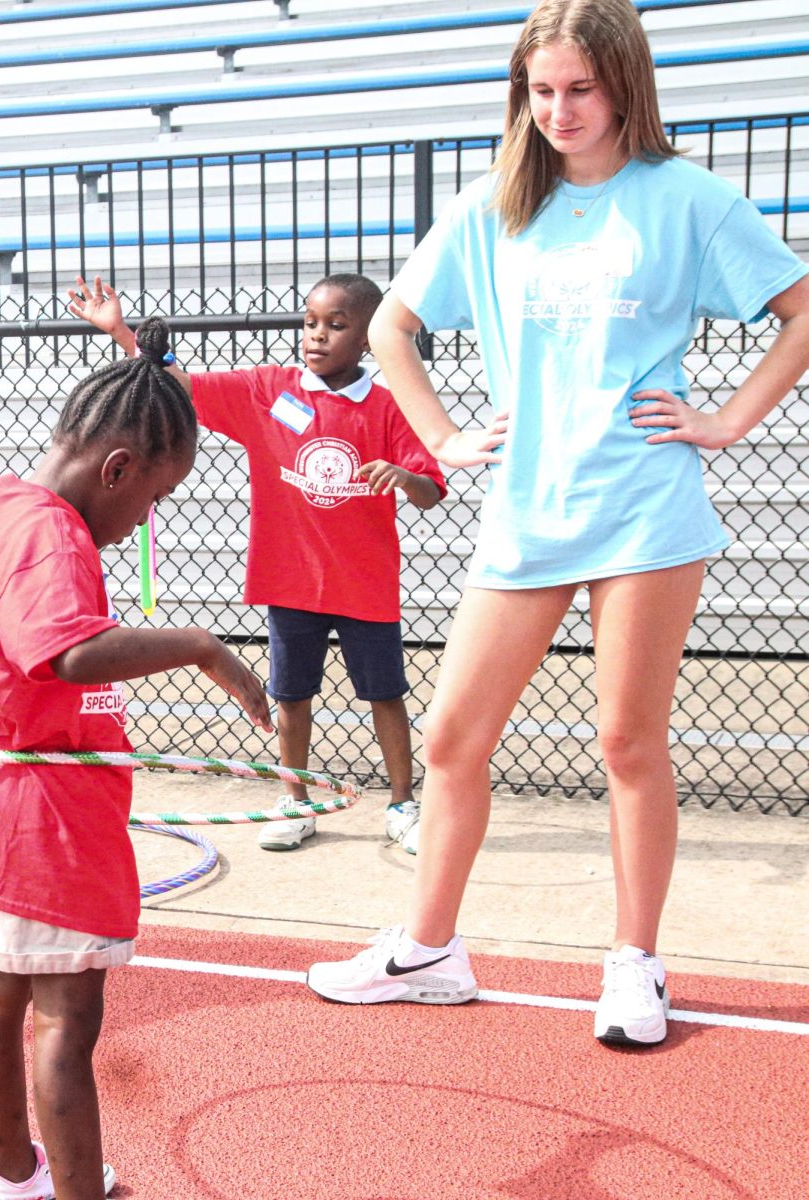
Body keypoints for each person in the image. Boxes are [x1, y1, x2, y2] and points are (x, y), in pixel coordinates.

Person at [306, 0, 809, 1045]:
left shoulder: (687, 200)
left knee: (627, 741)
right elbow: (394, 327)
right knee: (452, 738)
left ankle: (634, 967)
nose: (559, 109)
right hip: (526, 514)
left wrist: (724, 422)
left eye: (579, 88)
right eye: (541, 91)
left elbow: (799, 309)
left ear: (622, 83)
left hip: (644, 510)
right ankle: (430, 951)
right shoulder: (492, 206)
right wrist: (440, 438)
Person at [0, 318, 271, 1200]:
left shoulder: (2, 505)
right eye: (154, 498)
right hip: (47, 813)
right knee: (65, 1023)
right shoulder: (54, 537)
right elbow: (67, 652)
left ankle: (14, 1176)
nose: (146, 519)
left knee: (3, 998)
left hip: (2, 796)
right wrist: (203, 645)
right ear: (117, 469)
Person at [69, 272, 447, 855]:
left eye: (336, 326)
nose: (317, 336)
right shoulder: (269, 389)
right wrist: (120, 330)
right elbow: (178, 384)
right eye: (310, 322)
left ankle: (402, 804)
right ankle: (295, 799)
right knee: (291, 695)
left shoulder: (389, 407)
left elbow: (432, 487)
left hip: (365, 586)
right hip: (290, 581)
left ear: (370, 337)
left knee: (385, 694)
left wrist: (406, 477)